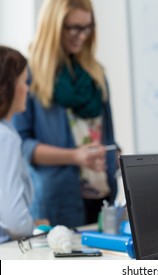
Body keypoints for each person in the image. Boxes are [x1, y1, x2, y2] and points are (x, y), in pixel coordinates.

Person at [13, 0, 119, 227]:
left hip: (103, 196)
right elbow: (22, 146)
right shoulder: (29, 77)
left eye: (87, 27)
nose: (82, 35)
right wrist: (75, 156)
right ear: (53, 26)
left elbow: (106, 135)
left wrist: (114, 153)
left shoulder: (96, 74)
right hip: (57, 201)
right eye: (73, 28)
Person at [0, 46, 35, 242]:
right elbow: (15, 221)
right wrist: (33, 226)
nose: (27, 89)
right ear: (8, 86)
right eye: (24, 81)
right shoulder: (5, 137)